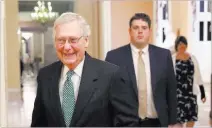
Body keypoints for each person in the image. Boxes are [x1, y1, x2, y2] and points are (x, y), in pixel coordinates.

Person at [31, 12, 139, 127]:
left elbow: (128, 123)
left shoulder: (111, 75)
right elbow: (39, 123)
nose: (67, 47)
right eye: (61, 40)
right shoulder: (45, 76)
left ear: (86, 41)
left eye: (73, 40)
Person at [105, 13, 177, 127]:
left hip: (157, 122)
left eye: (144, 28)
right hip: (125, 123)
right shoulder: (114, 57)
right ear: (129, 31)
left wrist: (174, 121)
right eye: (135, 28)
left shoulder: (163, 56)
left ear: (150, 31)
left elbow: (171, 90)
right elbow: (108, 94)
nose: (140, 31)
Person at [172, 36, 206, 128]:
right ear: (176, 46)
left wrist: (202, 93)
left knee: (192, 117)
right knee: (178, 119)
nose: (182, 46)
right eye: (180, 44)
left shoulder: (192, 58)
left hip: (191, 94)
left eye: (184, 44)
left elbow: (198, 76)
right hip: (178, 95)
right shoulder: (172, 59)